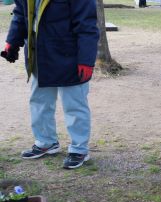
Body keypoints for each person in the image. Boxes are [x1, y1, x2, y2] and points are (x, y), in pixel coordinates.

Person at [2, 0, 99, 169]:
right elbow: (20, 14)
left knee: (74, 105)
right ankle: (46, 142)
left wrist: (86, 60)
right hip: (39, 54)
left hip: (70, 56)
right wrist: (12, 41)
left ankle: (79, 149)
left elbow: (87, 24)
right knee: (39, 101)